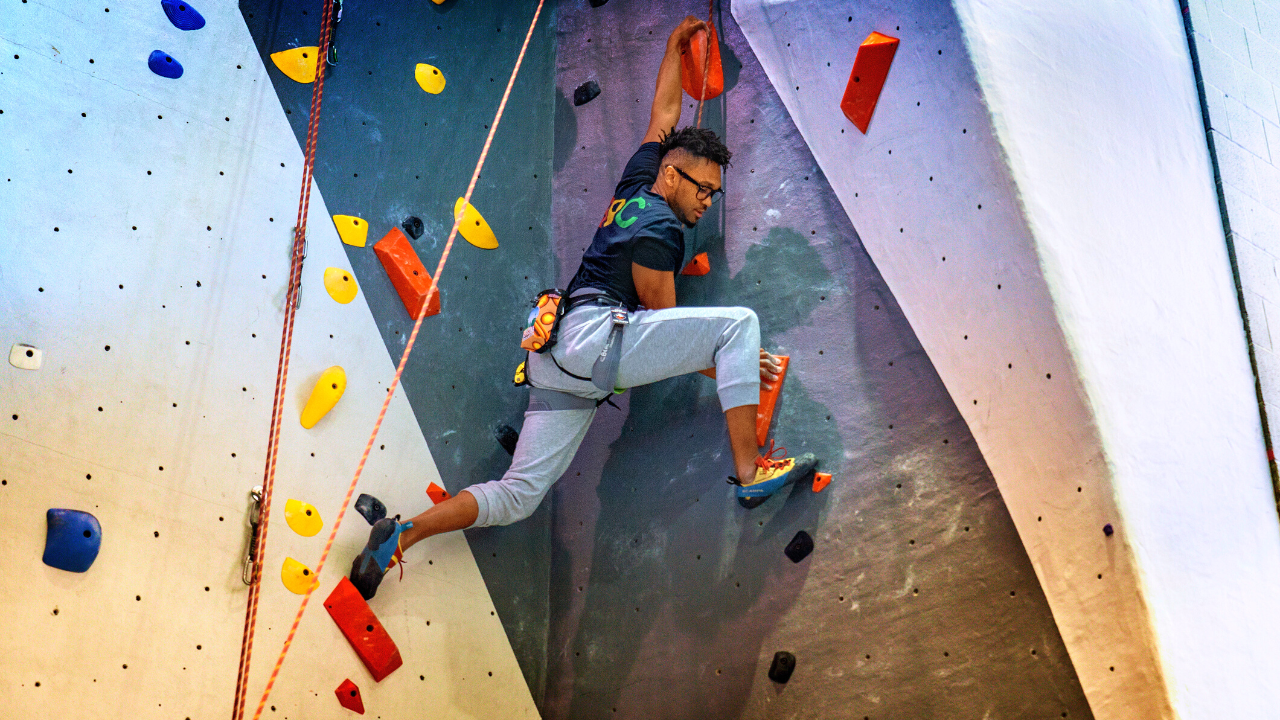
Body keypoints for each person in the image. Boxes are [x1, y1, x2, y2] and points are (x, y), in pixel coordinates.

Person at [351, 16, 817, 600]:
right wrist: (735, 362)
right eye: (701, 188)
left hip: (558, 359)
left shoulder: (639, 184)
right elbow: (663, 335)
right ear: (673, 177)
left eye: (714, 193)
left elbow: (664, 119)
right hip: (594, 341)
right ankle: (752, 474)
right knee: (739, 325)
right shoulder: (659, 233)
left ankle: (404, 533)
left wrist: (674, 48)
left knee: (518, 495)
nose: (707, 200)